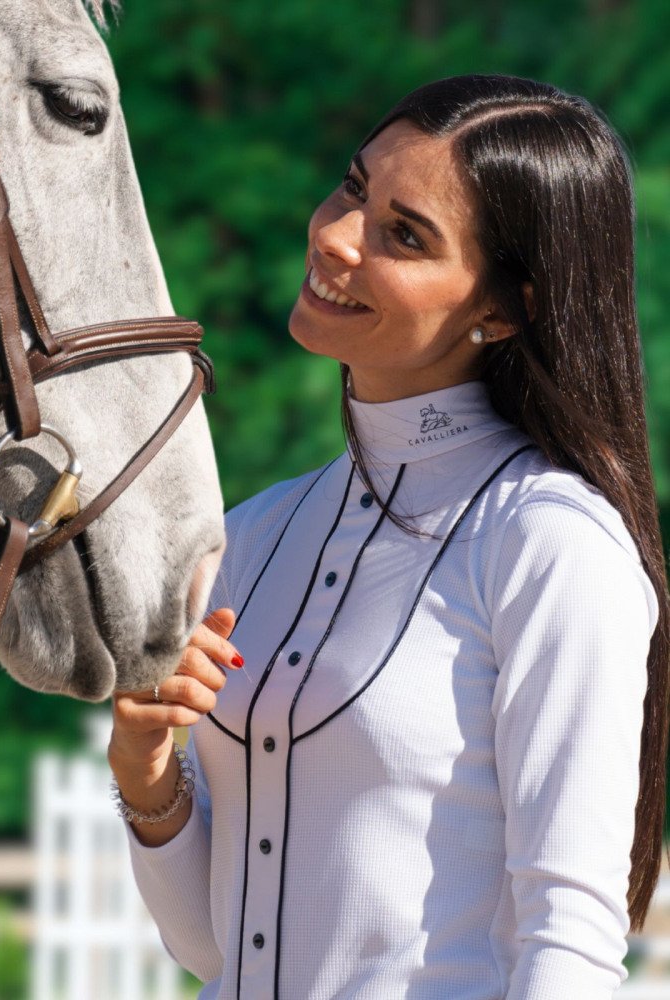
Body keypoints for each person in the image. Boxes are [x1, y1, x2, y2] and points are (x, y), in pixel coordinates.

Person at [107, 74, 670, 1000]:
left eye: (404, 236)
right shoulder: (251, 538)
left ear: (505, 308)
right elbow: (213, 948)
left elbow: (570, 943)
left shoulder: (549, 546)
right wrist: (145, 772)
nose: (336, 236)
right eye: (353, 188)